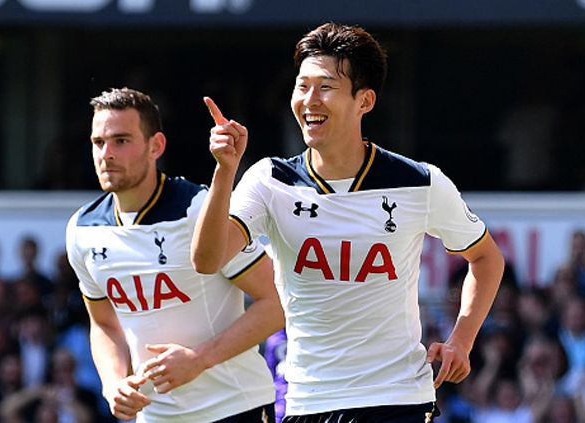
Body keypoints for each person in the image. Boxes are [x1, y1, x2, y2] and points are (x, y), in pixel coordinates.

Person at [191, 22, 505, 422]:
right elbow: (207, 259)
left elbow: (486, 259)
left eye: (325, 87)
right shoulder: (270, 180)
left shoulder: (419, 181)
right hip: (308, 401)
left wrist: (462, 339)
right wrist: (225, 172)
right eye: (302, 86)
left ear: (365, 100)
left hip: (398, 399)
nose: (309, 100)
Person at [65, 87, 282, 422]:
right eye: (98, 142)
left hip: (236, 407)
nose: (106, 154)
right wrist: (112, 383)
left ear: (157, 146)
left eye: (121, 140)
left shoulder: (198, 210)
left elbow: (276, 302)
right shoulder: (82, 229)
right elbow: (104, 323)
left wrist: (199, 359)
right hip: (156, 417)